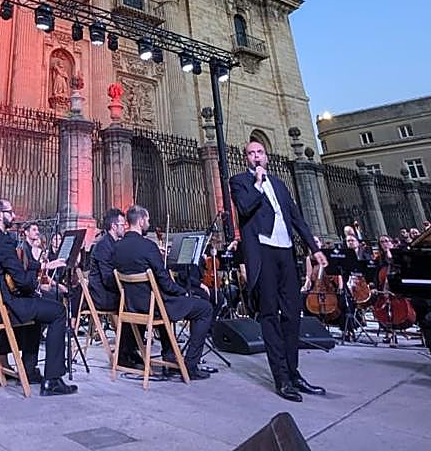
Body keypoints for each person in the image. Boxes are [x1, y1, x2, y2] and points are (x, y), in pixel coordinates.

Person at [229, 141, 327, 402]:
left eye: (260, 152)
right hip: (263, 253)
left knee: (293, 314)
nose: (256, 156)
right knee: (270, 315)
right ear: (246, 158)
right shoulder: (239, 182)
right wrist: (258, 183)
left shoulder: (280, 185)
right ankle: (281, 378)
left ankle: (294, 373)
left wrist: (314, 248)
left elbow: (296, 218)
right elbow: (244, 208)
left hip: (286, 252)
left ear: (267, 157)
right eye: (251, 153)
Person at [0, 198, 78, 396]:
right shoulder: (3, 242)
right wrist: (37, 279)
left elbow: (10, 266)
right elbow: (23, 281)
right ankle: (52, 379)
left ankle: (28, 369)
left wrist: (41, 266)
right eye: (10, 212)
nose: (14, 215)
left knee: (37, 308)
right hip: (2, 308)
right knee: (58, 311)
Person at [114, 205, 213, 380]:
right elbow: (165, 283)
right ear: (141, 220)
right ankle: (190, 365)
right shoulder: (148, 246)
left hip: (132, 306)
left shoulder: (118, 247)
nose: (149, 223)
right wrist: (183, 292)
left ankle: (170, 356)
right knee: (204, 309)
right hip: (155, 307)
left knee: (165, 305)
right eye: (148, 220)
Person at [88, 208, 143, 368]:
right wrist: (127, 285)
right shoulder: (103, 245)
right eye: (122, 224)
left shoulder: (115, 244)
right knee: (135, 304)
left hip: (111, 291)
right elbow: (107, 279)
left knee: (139, 301)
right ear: (113, 226)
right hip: (102, 295)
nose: (125, 227)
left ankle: (130, 349)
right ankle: (124, 354)